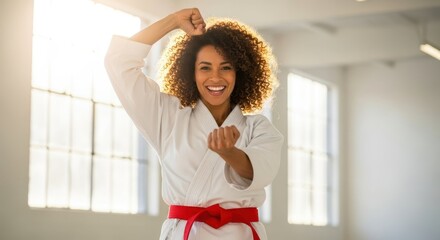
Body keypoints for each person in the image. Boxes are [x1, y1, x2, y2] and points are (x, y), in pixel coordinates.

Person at [105, 8, 283, 240]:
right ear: (191, 72)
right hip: (186, 233)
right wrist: (173, 21)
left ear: (240, 72)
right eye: (205, 67)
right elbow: (119, 62)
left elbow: (260, 172)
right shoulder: (167, 117)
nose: (216, 78)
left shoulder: (259, 128)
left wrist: (229, 153)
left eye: (226, 67)